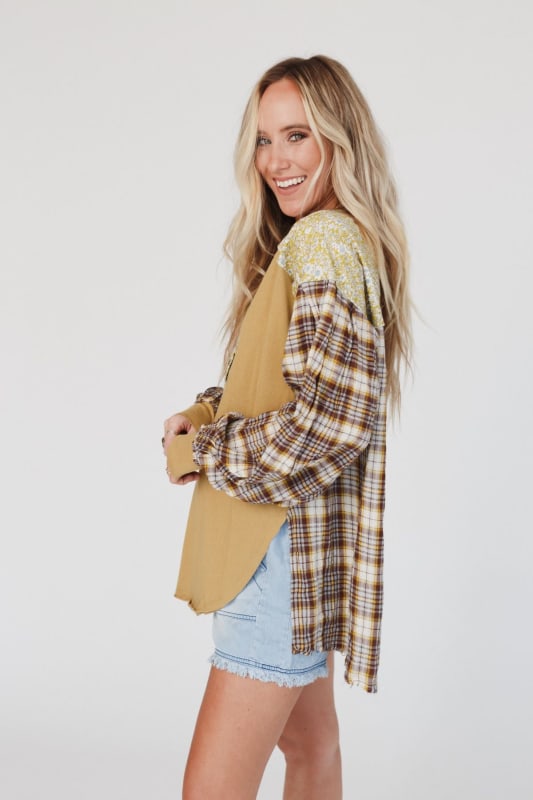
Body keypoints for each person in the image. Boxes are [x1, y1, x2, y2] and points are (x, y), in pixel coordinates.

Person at [163, 55, 411, 800]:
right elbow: (285, 386)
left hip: (271, 560)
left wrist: (204, 450)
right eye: (264, 140)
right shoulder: (331, 240)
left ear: (340, 138)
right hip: (297, 555)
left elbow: (328, 425)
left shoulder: (322, 242)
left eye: (297, 135)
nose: (275, 161)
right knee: (311, 748)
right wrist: (207, 410)